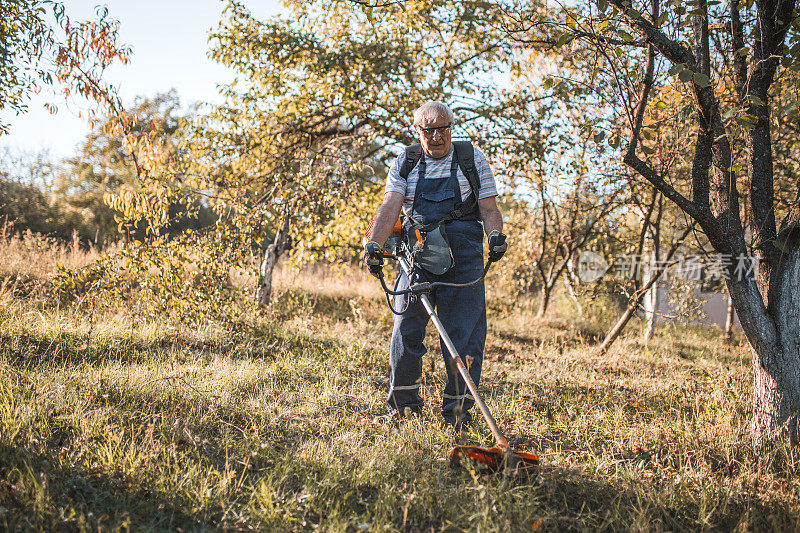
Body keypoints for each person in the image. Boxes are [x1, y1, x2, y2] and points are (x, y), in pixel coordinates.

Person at [364, 101, 507, 428]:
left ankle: (457, 416)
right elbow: (389, 207)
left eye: (443, 129)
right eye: (429, 130)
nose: (437, 136)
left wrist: (496, 235)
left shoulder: (472, 159)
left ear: (451, 128)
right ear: (418, 131)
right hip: (417, 254)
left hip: (466, 256)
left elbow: (489, 208)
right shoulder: (408, 161)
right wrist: (374, 243)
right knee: (405, 329)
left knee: (464, 337)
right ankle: (404, 411)